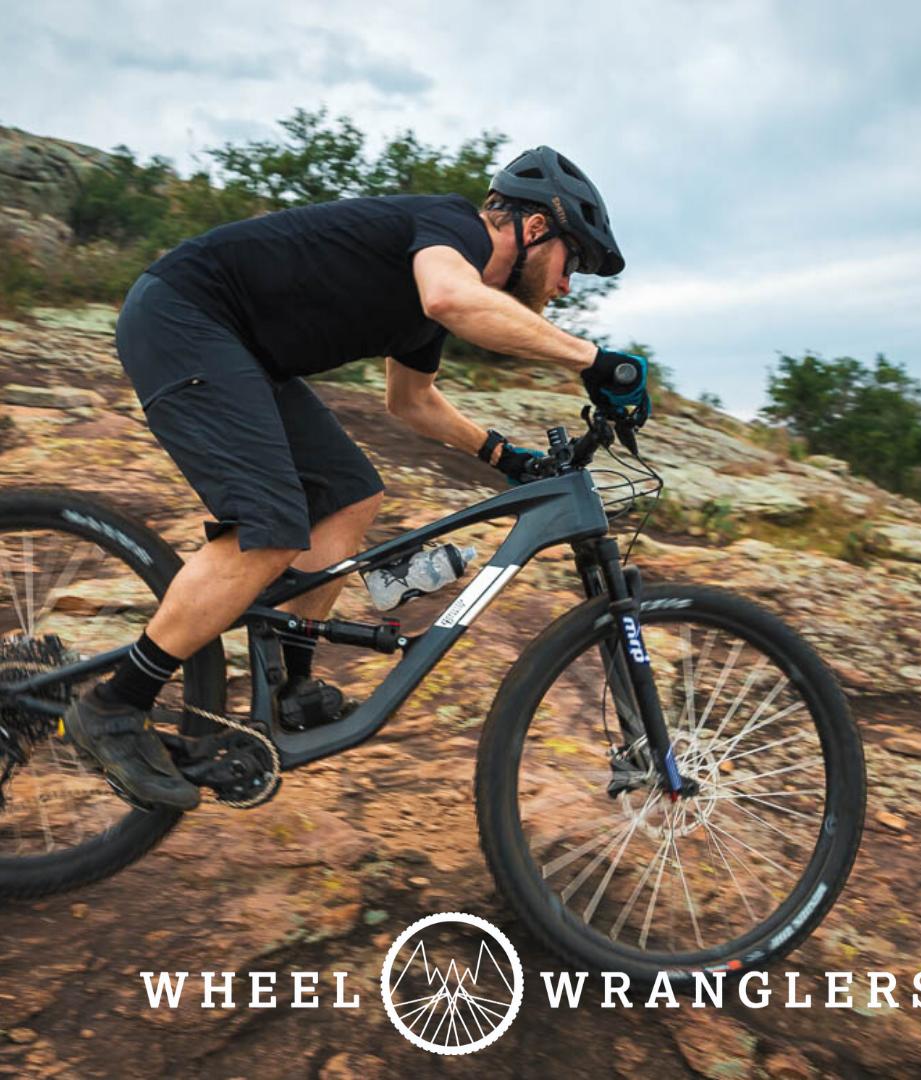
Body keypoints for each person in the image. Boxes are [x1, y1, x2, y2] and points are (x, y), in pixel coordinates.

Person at [63, 145, 651, 810]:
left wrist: (505, 457)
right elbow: (451, 296)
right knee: (273, 525)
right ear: (537, 228)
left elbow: (412, 402)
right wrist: (595, 361)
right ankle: (115, 706)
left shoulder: (435, 294)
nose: (568, 285)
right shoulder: (451, 229)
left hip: (242, 353)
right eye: (572, 262)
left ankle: (292, 686)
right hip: (186, 315)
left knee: (350, 496)